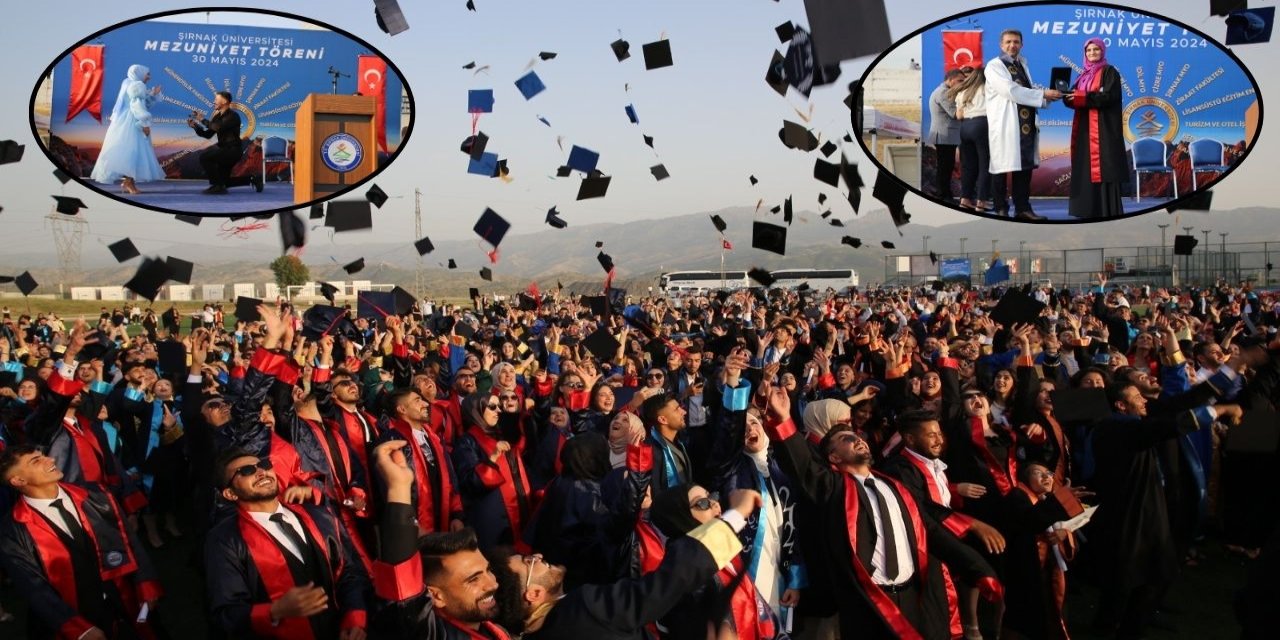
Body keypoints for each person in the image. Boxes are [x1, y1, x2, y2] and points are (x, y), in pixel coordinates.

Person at [203, 448, 371, 639]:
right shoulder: (225, 540)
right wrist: (274, 611)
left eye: (264, 465)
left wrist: (354, 617)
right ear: (230, 493)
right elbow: (226, 612)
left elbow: (349, 574)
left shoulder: (319, 516)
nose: (261, 472)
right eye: (247, 471)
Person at [0, 444, 163, 640]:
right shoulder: (12, 531)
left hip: (124, 599)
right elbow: (33, 587)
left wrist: (145, 580)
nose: (50, 460)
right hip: (79, 618)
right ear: (18, 480)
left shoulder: (95, 495)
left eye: (43, 455)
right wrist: (78, 629)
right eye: (36, 461)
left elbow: (129, 540)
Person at [984, 29, 1064, 220]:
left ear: (1022, 44)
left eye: (1016, 42)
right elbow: (1010, 90)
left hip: (1024, 125)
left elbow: (1028, 90)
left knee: (1024, 168)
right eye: (1009, 42)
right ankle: (1000, 208)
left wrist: (1049, 95)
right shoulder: (994, 66)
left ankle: (1023, 209)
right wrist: (1043, 95)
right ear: (1001, 45)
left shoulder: (1021, 64)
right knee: (1002, 167)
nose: (1013, 45)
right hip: (1006, 124)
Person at [1063, 38, 1127, 219]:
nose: (1092, 53)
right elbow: (1075, 97)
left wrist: (1081, 96)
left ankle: (1106, 210)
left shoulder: (1109, 72)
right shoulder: (1082, 75)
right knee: (1085, 165)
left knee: (1104, 166)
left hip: (1103, 129)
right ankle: (1086, 209)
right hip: (1084, 128)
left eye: (1096, 50)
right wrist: (1066, 96)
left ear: (1103, 51)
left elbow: (1108, 97)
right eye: (1089, 50)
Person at [89, 64, 165, 195]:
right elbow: (137, 105)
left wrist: (153, 94)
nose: (149, 76)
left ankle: (129, 182)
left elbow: (141, 102)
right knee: (133, 152)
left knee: (129, 151)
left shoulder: (128, 83)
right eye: (147, 73)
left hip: (123, 121)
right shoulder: (138, 85)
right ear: (139, 73)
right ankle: (129, 182)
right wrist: (144, 123)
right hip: (132, 121)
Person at [187, 91, 262, 195]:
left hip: (233, 151)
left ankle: (217, 186)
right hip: (224, 150)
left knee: (204, 157)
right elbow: (207, 134)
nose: (214, 101)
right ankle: (252, 179)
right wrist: (195, 126)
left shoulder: (233, 116)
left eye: (216, 99)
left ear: (225, 101)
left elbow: (219, 127)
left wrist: (202, 119)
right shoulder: (217, 117)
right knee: (224, 182)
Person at [951, 66, 992, 212]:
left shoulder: (962, 92)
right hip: (982, 124)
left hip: (965, 127)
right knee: (985, 165)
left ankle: (965, 200)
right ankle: (981, 202)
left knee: (968, 166)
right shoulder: (988, 89)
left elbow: (959, 115)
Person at [928, 69, 964, 202]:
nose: (962, 84)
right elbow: (955, 114)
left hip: (946, 135)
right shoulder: (943, 92)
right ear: (950, 79)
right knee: (945, 167)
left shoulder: (942, 91)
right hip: (944, 135)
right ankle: (943, 195)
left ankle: (945, 194)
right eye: (960, 80)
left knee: (946, 166)